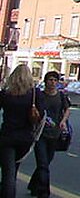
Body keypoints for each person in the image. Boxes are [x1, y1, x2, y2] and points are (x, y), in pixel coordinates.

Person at [0, 64, 44, 198]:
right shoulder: (35, 94)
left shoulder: (5, 94)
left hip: (7, 136)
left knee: (8, 173)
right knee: (14, 168)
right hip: (26, 137)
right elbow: (41, 115)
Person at [28, 71, 70, 198]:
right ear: (45, 81)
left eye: (55, 80)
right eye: (50, 80)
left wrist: (63, 121)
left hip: (55, 134)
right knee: (42, 163)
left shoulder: (61, 96)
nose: (53, 83)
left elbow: (67, 109)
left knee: (46, 163)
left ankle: (34, 185)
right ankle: (43, 192)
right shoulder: (39, 95)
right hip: (40, 133)